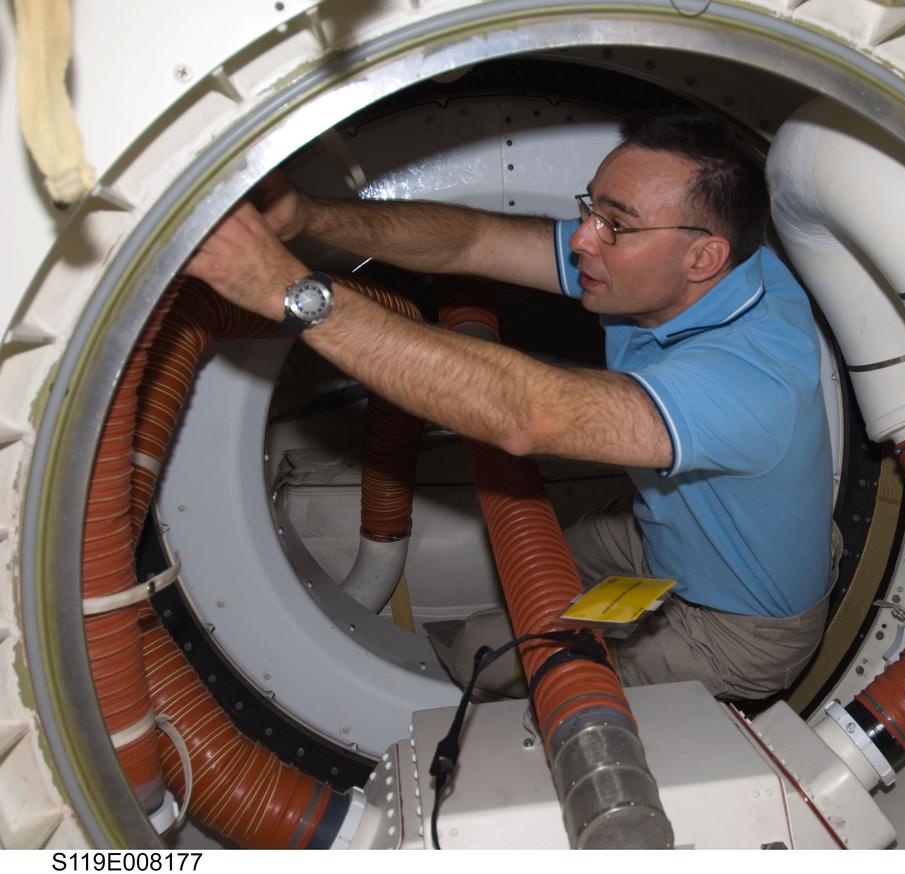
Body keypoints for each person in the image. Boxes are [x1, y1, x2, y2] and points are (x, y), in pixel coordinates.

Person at [185, 108, 833, 700]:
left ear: (703, 257)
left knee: (499, 666)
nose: (583, 239)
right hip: (662, 540)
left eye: (616, 224)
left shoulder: (753, 379)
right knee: (538, 572)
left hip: (736, 629)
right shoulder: (677, 272)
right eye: (591, 209)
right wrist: (307, 216)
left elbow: (528, 413)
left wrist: (284, 288)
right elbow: (474, 241)